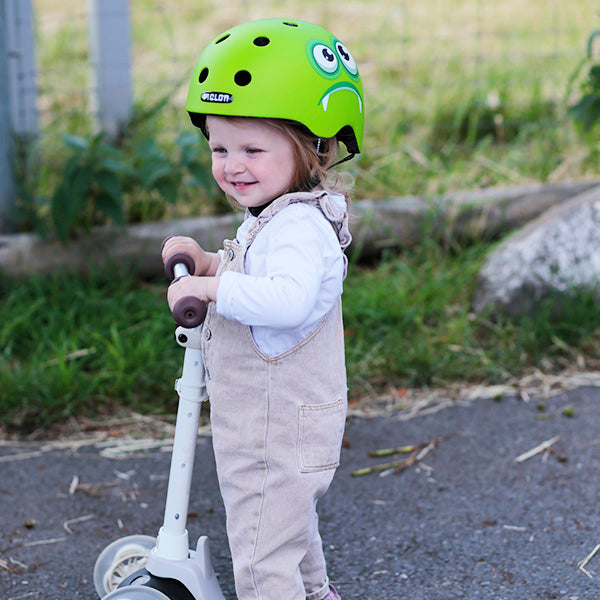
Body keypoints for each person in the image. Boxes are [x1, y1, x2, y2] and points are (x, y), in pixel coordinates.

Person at [161, 17, 364, 600]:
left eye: (253, 148)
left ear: (311, 147)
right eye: (220, 147)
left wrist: (212, 292)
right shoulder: (285, 213)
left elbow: (289, 298)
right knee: (286, 525)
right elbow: (261, 278)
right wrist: (209, 264)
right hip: (282, 418)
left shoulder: (298, 226)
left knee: (259, 551)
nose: (232, 164)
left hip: (275, 422)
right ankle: (317, 593)